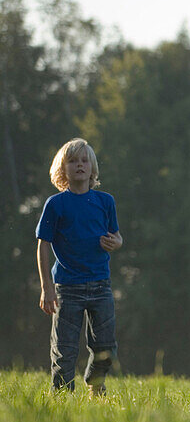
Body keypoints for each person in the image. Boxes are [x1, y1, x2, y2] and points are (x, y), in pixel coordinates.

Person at [35, 138, 123, 394]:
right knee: (65, 351)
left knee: (106, 348)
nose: (80, 165)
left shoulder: (105, 201)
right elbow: (42, 246)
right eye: (72, 161)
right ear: (62, 169)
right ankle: (61, 400)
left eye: (84, 160)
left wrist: (115, 243)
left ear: (92, 167)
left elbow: (117, 236)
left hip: (101, 285)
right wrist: (46, 288)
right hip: (66, 287)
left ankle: (95, 383)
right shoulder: (55, 204)